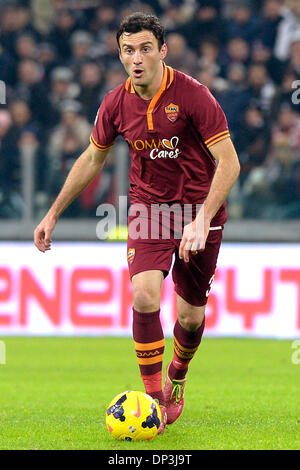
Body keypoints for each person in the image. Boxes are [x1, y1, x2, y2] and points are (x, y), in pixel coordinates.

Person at [34, 12, 240, 434]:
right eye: (128, 50)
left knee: (190, 318)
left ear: (163, 51)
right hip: (148, 211)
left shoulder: (194, 96)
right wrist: (53, 212)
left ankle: (177, 380)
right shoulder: (115, 102)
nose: (137, 58)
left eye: (146, 48)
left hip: (199, 211)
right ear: (120, 54)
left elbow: (230, 163)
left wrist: (201, 219)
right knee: (145, 296)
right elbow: (93, 158)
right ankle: (154, 400)